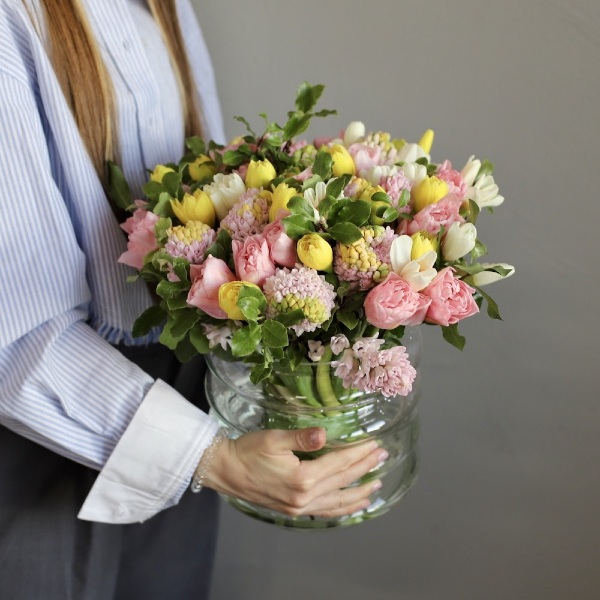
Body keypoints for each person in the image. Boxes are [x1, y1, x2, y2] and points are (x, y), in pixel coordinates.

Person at [0, 0, 388, 598]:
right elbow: (15, 329)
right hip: (48, 419)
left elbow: (207, 185)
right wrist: (210, 456)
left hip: (182, 385)